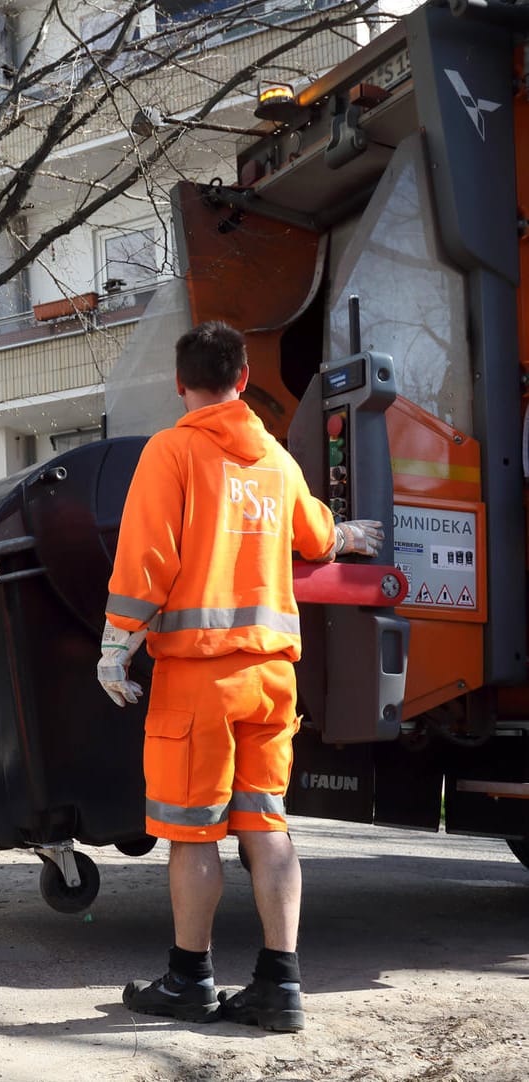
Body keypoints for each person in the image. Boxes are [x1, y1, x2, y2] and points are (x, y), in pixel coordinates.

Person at [97, 321, 383, 1033]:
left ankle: (188, 980)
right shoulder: (276, 460)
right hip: (270, 679)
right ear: (246, 374)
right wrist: (347, 535)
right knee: (266, 824)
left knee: (191, 833)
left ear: (178, 382)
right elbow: (315, 535)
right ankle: (278, 987)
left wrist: (113, 647)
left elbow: (145, 559)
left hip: (200, 678)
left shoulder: (173, 450)